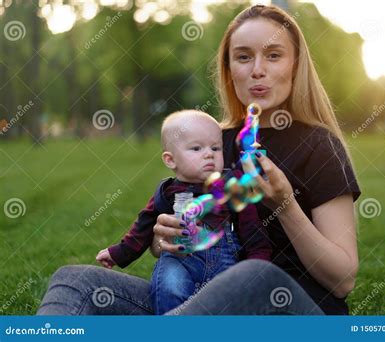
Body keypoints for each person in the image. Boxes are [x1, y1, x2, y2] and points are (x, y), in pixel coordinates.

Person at [38, 4, 361, 316]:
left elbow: (342, 280)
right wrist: (161, 239)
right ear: (229, 69)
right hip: (205, 305)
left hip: (288, 309)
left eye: (273, 55)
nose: (257, 69)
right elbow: (174, 239)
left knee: (253, 275)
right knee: (75, 283)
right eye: (243, 57)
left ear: (296, 65)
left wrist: (285, 203)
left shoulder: (320, 146)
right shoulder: (210, 145)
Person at [95, 109, 271, 315]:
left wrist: (258, 265)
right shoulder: (167, 192)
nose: (209, 154)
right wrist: (118, 254)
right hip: (179, 260)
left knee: (228, 302)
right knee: (170, 287)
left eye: (216, 148)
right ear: (170, 160)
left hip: (224, 264)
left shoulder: (229, 187)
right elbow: (142, 228)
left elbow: (252, 230)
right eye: (196, 148)